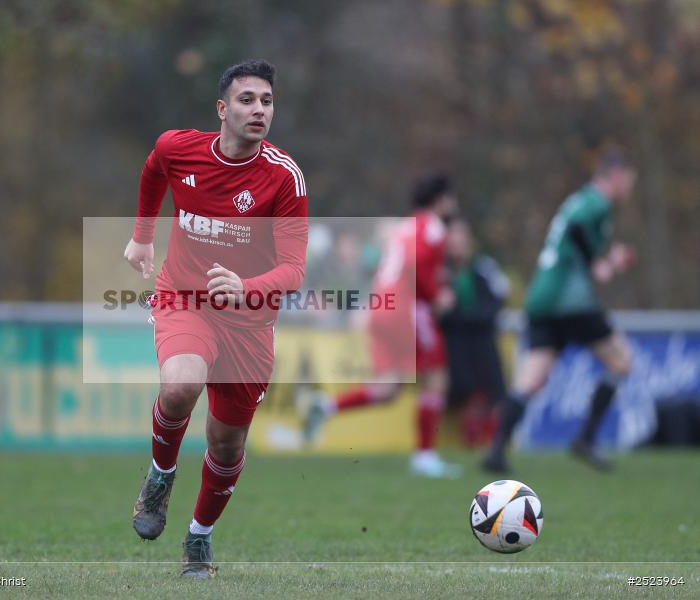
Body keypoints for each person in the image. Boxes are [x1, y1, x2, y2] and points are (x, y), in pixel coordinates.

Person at [123, 60, 308, 578]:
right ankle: (160, 477)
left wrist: (245, 288)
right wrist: (142, 234)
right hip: (185, 296)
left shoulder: (283, 176)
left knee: (227, 444)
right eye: (247, 100)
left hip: (249, 323)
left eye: (267, 101)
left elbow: (294, 270)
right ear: (222, 109)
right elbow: (153, 170)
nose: (259, 110)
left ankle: (198, 538)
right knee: (180, 385)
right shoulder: (178, 148)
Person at [482, 151, 636, 473]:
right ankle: (586, 439)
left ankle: (496, 451)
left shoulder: (577, 202)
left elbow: (580, 257)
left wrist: (605, 264)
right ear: (616, 176)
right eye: (629, 180)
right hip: (569, 303)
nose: (630, 188)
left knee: (531, 378)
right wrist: (599, 260)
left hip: (541, 299)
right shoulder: (596, 202)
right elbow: (580, 231)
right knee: (621, 361)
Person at [303, 174, 460, 478]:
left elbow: (389, 263)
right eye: (451, 198)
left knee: (388, 389)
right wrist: (435, 293)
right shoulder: (434, 227)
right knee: (436, 376)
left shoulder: (403, 226)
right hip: (406, 308)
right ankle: (425, 456)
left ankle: (326, 407)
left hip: (380, 307)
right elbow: (415, 264)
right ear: (441, 200)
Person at [439, 220, 509, 447]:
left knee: (493, 388)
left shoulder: (484, 267)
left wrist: (479, 317)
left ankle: (496, 443)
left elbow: (499, 296)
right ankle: (472, 440)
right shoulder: (442, 272)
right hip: (456, 340)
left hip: (483, 337)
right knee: (464, 391)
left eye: (462, 238)